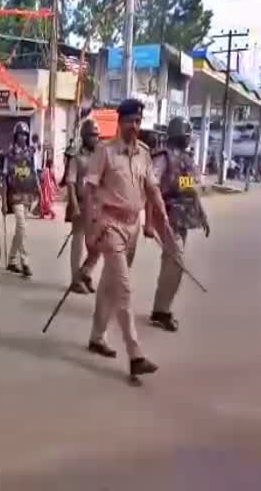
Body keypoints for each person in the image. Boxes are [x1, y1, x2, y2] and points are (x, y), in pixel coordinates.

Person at [81, 98, 176, 382]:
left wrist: (162, 222)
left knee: (110, 285)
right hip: (110, 225)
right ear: (119, 122)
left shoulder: (145, 154)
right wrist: (89, 228)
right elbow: (89, 190)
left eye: (138, 121)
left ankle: (97, 337)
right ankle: (135, 355)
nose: (134, 126)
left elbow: (152, 191)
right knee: (123, 289)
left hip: (133, 226)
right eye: (129, 121)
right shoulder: (105, 152)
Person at [148, 116, 210, 332]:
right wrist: (150, 218)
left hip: (183, 217)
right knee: (176, 262)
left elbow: (191, 189)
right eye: (187, 135)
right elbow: (152, 184)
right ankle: (161, 311)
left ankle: (160, 308)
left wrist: (202, 215)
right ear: (180, 136)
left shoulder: (185, 158)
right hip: (166, 215)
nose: (189, 138)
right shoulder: (163, 157)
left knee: (170, 262)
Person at [65, 119, 100, 294]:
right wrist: (74, 206)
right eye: (93, 135)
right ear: (85, 136)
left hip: (97, 205)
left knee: (98, 243)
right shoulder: (76, 156)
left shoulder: (100, 156)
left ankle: (85, 272)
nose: (96, 138)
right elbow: (70, 182)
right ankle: (75, 279)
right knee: (78, 242)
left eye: (97, 135)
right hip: (80, 202)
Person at [3, 121, 39, 277]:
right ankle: (25, 262)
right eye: (20, 134)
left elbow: (35, 173)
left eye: (25, 134)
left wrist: (39, 192)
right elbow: (4, 177)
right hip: (15, 194)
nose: (23, 137)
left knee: (20, 229)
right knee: (21, 225)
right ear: (15, 136)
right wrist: (4, 202)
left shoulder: (31, 153)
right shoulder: (9, 154)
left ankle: (11, 260)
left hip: (28, 194)